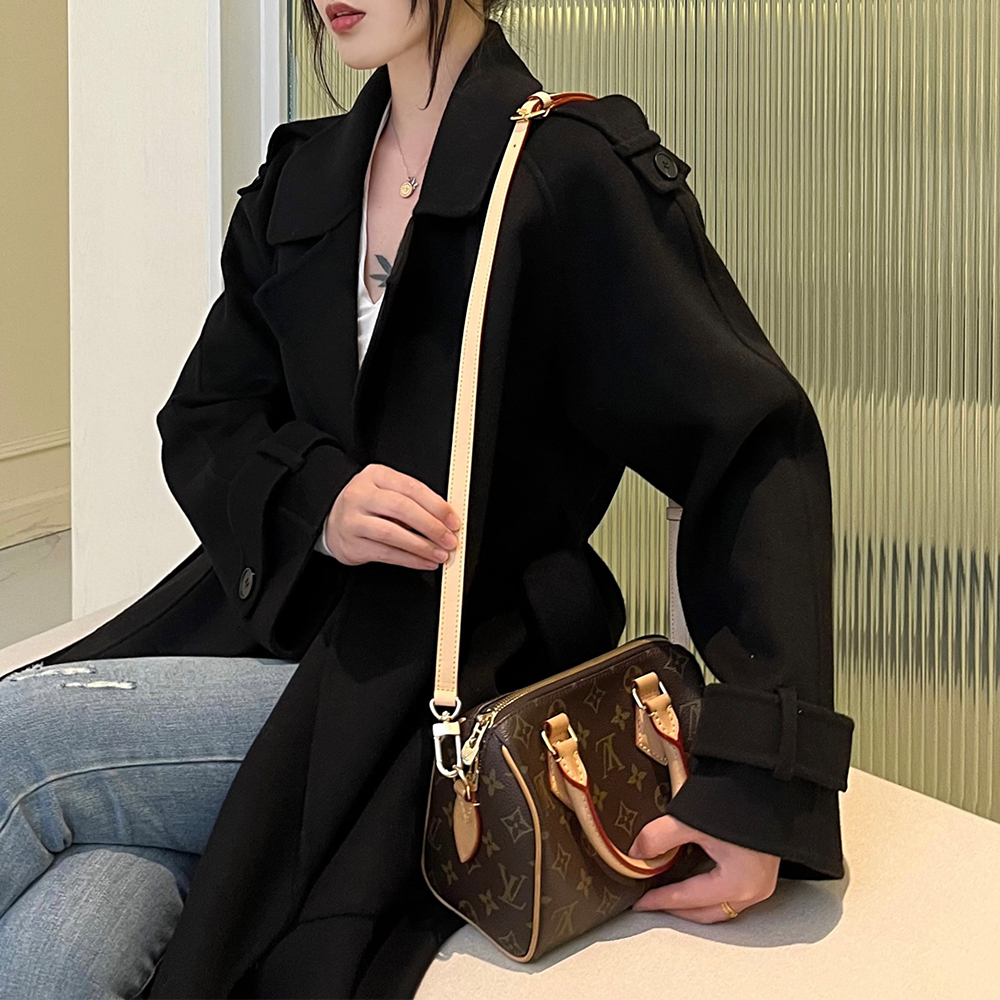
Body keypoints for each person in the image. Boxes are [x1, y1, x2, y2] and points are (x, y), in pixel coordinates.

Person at [0, 2, 855, 998]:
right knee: (75, 927)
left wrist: (760, 782)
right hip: (271, 639)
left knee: (24, 739)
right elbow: (207, 414)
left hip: (441, 686)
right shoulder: (306, 176)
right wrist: (318, 499)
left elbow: (751, 444)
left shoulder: (566, 172)